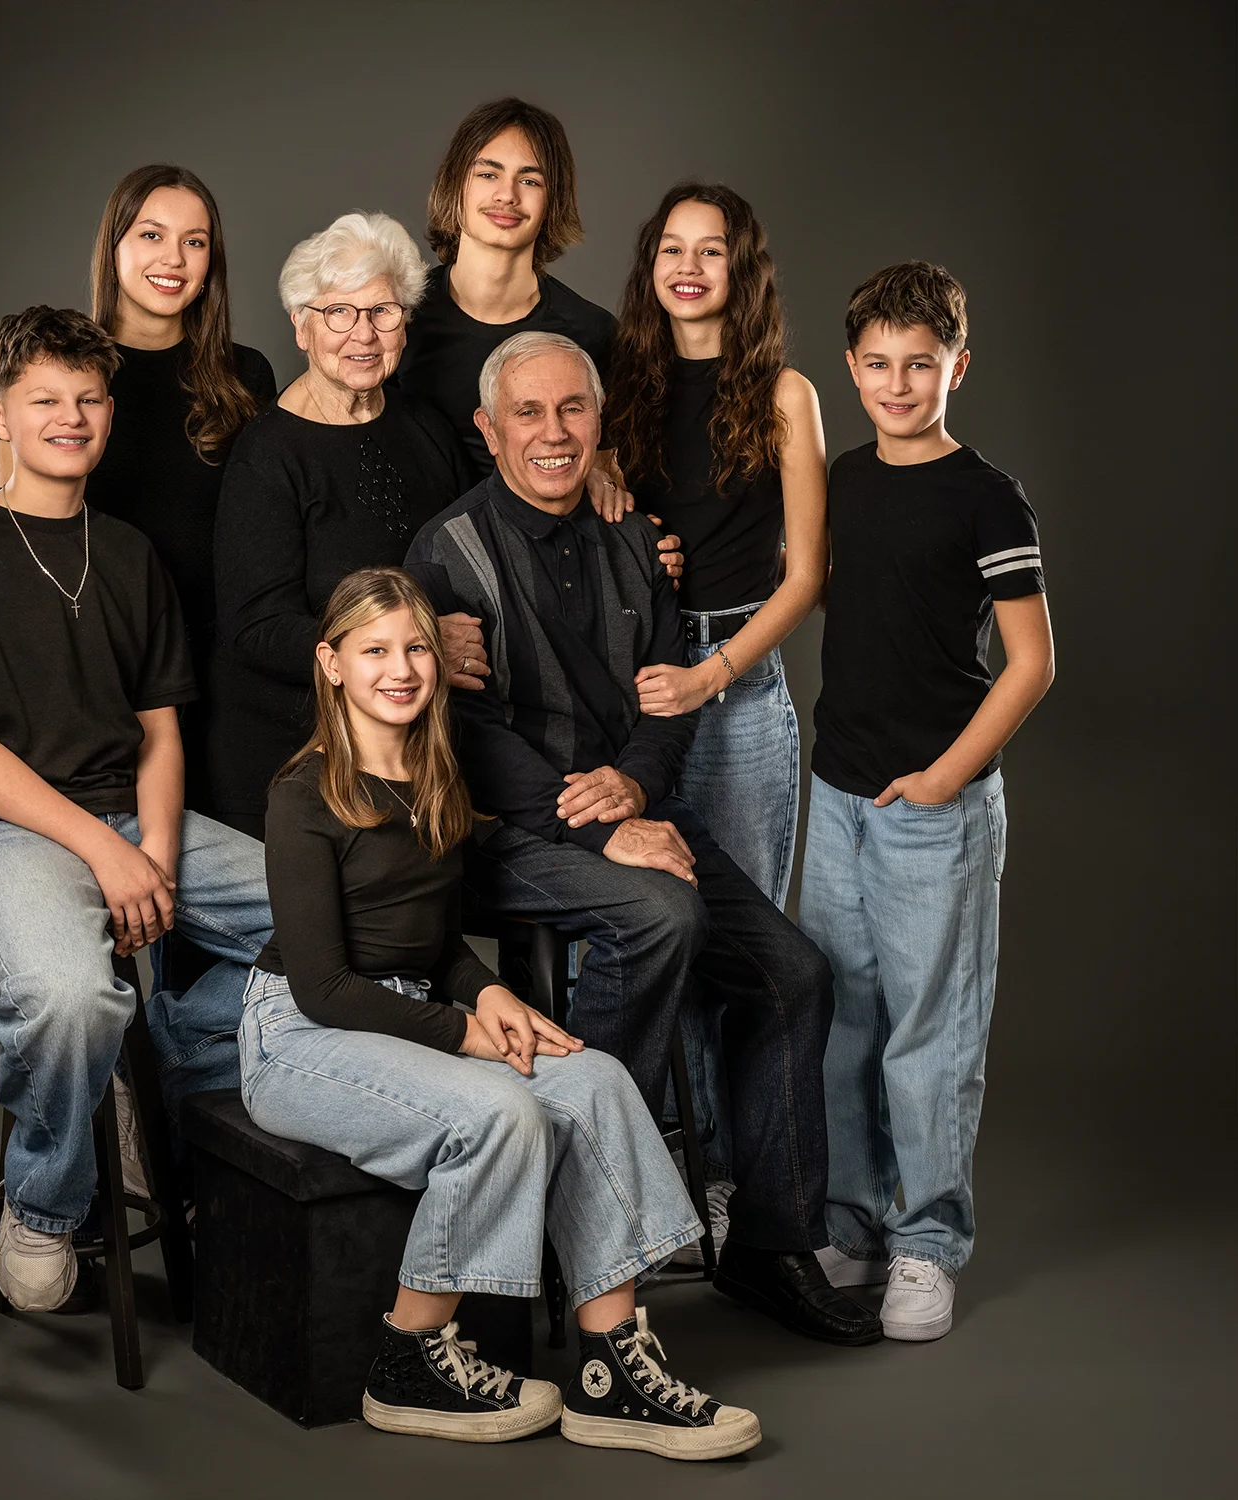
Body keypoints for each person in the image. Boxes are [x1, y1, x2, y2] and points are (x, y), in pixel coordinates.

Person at [406, 331, 880, 1346]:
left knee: (795, 974)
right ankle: (584, 1229)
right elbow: (465, 735)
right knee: (662, 914)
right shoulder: (446, 553)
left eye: (573, 409)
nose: (553, 432)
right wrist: (593, 823)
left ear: (598, 422)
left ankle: (768, 1243)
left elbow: (671, 697)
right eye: (527, 414)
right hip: (504, 832)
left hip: (632, 806)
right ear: (488, 431)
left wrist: (633, 790)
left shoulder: (634, 536)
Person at [244, 564, 761, 1460]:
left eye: (415, 648)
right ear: (331, 665)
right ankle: (408, 1360)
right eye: (374, 651)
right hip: (301, 1034)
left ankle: (612, 1370)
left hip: (412, 1010)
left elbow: (431, 944)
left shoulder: (436, 775)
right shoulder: (304, 794)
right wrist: (463, 1031)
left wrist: (486, 990)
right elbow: (323, 985)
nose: (400, 669)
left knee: (594, 1078)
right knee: (501, 1109)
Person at [0, 307, 271, 1311]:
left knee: (346, 923)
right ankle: (47, 1206)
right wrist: (108, 851)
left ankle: (168, 1055)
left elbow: (162, 735)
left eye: (89, 400)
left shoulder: (133, 556)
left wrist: (159, 860)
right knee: (70, 998)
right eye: (45, 400)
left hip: (130, 818)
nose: (71, 416)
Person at [802, 262, 1054, 1341]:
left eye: (921, 365)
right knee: (844, 1023)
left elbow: (1034, 662)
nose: (899, 385)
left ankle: (926, 1242)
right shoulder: (843, 478)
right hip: (837, 794)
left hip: (931, 808)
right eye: (878, 366)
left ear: (958, 364)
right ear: (851, 369)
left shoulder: (986, 496)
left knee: (929, 1037)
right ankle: (852, 1224)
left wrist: (949, 777)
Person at [0, 162, 276, 816]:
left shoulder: (245, 376)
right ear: (114, 246)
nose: (173, 258)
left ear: (213, 260)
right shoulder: (66, 372)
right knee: (128, 888)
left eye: (195, 241)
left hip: (225, 670)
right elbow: (11, 527)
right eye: (151, 235)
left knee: (226, 878)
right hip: (106, 673)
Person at [598, 183, 828, 1264]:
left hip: (734, 689)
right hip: (636, 684)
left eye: (714, 252)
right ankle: (673, 1179)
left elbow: (808, 577)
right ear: (651, 264)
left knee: (744, 954)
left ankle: (737, 1183)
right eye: (673, 250)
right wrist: (636, 532)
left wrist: (713, 674)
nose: (690, 268)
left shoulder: (783, 393)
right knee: (659, 934)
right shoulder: (620, 388)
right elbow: (579, 514)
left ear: (745, 271)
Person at [207, 212, 487, 839]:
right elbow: (259, 630)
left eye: (383, 311)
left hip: (419, 753)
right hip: (298, 763)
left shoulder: (425, 429)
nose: (363, 333)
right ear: (300, 325)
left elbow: (484, 550)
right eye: (338, 312)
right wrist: (419, 645)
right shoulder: (267, 454)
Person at [394, 97, 617, 483]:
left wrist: (607, 479)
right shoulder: (396, 315)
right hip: (412, 539)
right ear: (455, 183)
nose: (507, 195)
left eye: (530, 180)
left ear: (552, 201)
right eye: (488, 174)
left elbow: (605, 469)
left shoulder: (592, 333)